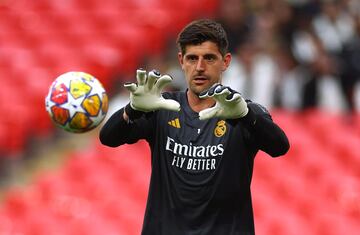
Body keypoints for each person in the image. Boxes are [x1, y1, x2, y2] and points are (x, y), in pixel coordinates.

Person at [99, 19, 290, 235]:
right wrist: (133, 109)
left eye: (209, 58)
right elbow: (108, 137)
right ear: (181, 61)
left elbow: (280, 146)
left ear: (226, 61)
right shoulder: (163, 107)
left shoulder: (243, 111)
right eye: (192, 58)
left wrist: (247, 116)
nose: (199, 67)